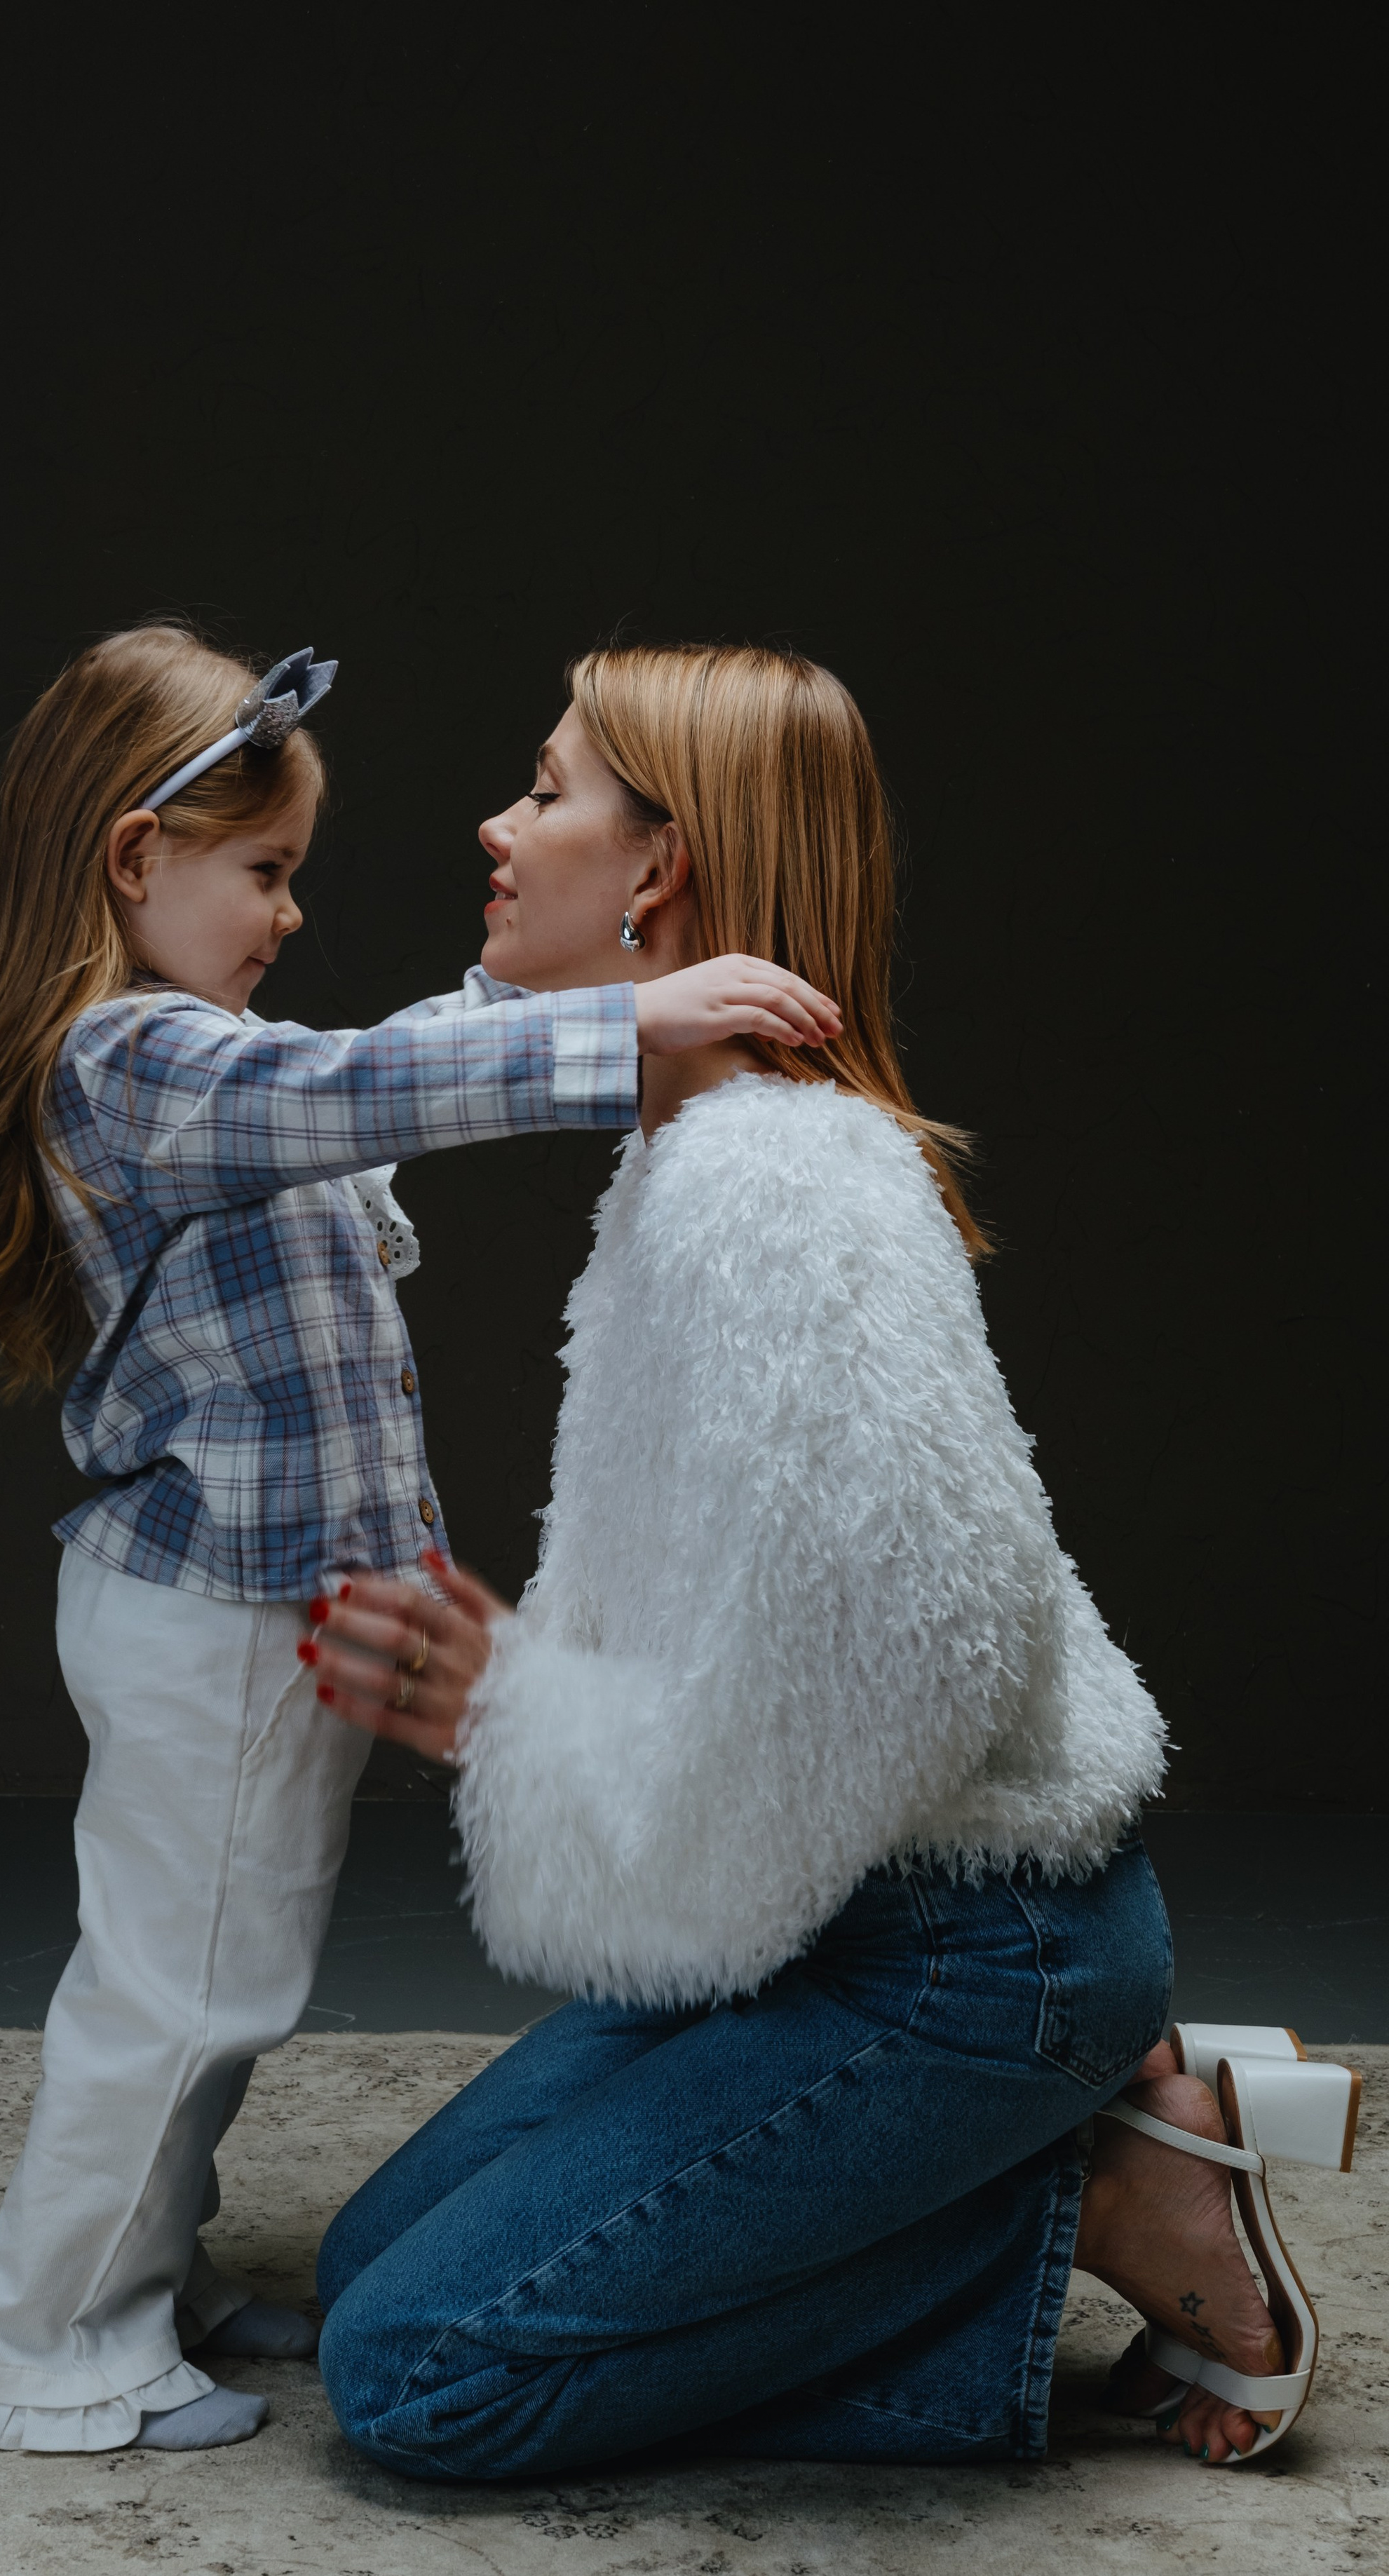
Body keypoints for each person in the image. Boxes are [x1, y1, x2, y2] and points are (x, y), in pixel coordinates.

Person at [305, 640, 1357, 2477]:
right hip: (836, 1913)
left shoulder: (769, 1189)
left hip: (974, 1950)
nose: (496, 823)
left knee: (419, 2373)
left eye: (546, 790)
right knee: (361, 2270)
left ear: (663, 866)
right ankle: (1079, 2139)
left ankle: (1091, 2190)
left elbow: (932, 1639)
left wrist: (525, 1712)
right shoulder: (689, 1159)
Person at [0, 621, 839, 2454]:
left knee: (224, 1977)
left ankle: (145, 2273)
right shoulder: (130, 1064)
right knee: (179, 1985)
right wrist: (621, 1026)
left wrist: (520, 1010)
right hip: (213, 1613)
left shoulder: (218, 1063)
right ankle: (49, 2342)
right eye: (264, 872)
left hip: (266, 1611)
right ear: (135, 858)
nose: (289, 912)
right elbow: (350, 1092)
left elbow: (376, 1073)